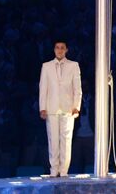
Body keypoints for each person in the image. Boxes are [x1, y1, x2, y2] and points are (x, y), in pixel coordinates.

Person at [37, 41, 82, 177]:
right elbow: (43, 87)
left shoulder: (73, 65)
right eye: (57, 48)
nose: (60, 50)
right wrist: (42, 107)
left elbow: (77, 88)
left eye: (62, 48)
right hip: (52, 107)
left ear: (66, 50)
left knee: (66, 140)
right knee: (53, 139)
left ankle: (63, 170)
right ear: (54, 50)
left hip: (68, 108)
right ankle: (53, 169)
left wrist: (76, 106)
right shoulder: (46, 66)